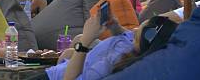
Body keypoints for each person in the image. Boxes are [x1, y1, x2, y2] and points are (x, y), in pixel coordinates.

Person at [44, 10, 177, 80]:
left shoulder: (116, 60)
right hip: (56, 70)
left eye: (137, 33)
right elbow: (128, 35)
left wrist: (85, 40)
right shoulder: (135, 45)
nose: (134, 30)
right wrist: (115, 27)